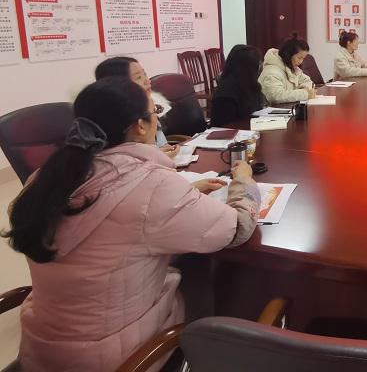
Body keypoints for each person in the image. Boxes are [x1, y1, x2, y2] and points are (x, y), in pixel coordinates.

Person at [3, 77, 260, 372]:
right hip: (123, 360)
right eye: (155, 112)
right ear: (140, 125)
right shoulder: (152, 185)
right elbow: (237, 228)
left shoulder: (44, 179)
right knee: (207, 269)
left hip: (41, 351)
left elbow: (112, 214)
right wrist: (244, 181)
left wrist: (184, 194)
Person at [94, 56, 175, 155]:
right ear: (119, 85)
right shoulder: (114, 123)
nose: (147, 81)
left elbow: (162, 145)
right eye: (139, 77)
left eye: (145, 74)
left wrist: (167, 150)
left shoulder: (149, 105)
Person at [209, 44, 265, 126]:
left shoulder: (250, 84)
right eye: (258, 64)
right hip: (230, 131)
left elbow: (255, 111)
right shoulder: (226, 93)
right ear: (249, 67)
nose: (260, 67)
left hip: (250, 128)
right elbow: (224, 125)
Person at [259, 33, 316, 104]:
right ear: (288, 55)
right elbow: (275, 96)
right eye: (299, 58)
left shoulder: (292, 68)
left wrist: (304, 89)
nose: (301, 62)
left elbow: (306, 80)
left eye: (303, 58)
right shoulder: (271, 72)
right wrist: (304, 94)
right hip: (272, 109)